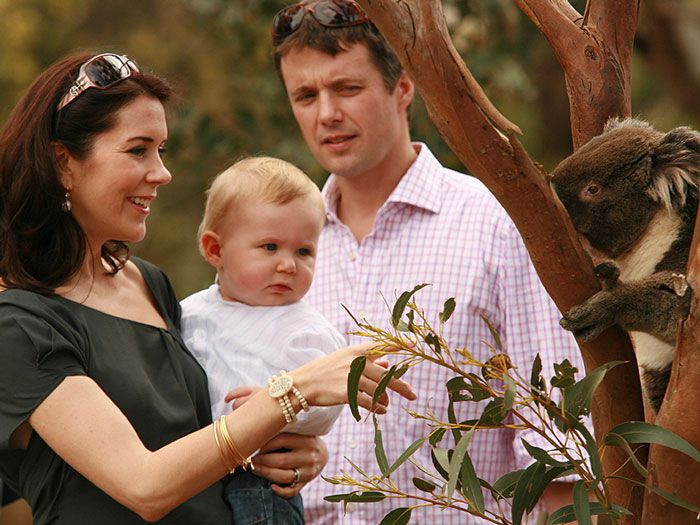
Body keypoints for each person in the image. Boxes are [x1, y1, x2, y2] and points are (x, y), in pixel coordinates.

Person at [0, 51, 415, 525]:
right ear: (62, 163)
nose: (161, 172)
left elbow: (210, 437)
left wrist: (291, 452)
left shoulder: (148, 283)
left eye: (161, 150)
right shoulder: (20, 326)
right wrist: (294, 391)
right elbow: (146, 485)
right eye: (138, 150)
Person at [266, 1, 587, 523]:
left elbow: (559, 442)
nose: (326, 113)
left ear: (404, 87)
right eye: (306, 95)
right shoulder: (276, 247)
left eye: (347, 88)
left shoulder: (496, 222)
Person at [180, 156, 346, 525]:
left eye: (304, 251)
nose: (288, 264)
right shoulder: (189, 314)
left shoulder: (306, 329)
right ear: (215, 250)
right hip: (194, 469)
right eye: (270, 247)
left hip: (261, 482)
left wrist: (280, 407)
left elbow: (329, 403)